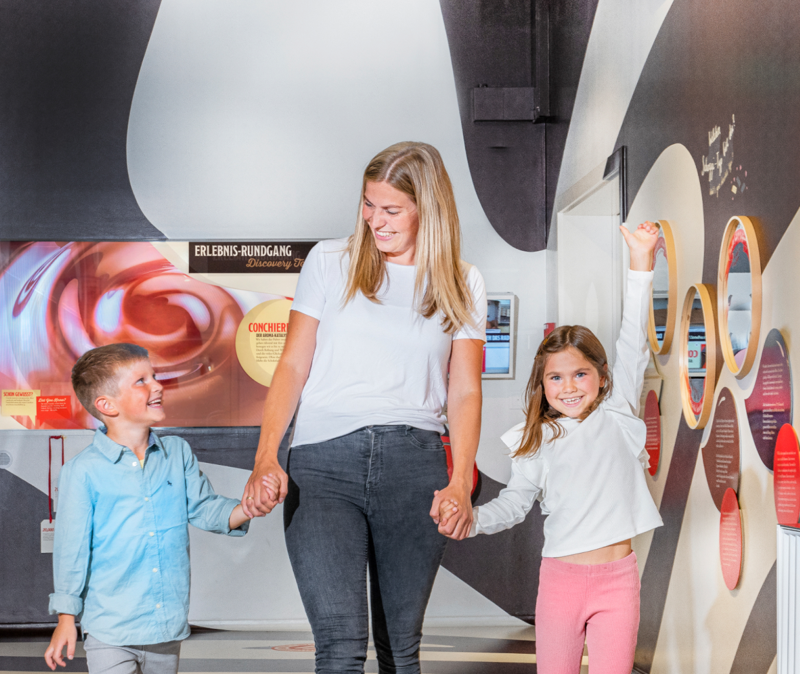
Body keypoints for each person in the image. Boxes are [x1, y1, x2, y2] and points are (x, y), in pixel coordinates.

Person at [242, 141, 487, 673]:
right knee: (339, 646)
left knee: (401, 650)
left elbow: (466, 390)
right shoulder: (330, 261)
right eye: (368, 204)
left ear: (428, 208)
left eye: (391, 209)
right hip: (322, 465)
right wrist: (266, 456)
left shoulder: (462, 280)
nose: (375, 220)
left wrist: (460, 480)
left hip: (416, 464)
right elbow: (292, 365)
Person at [440, 222, 663, 674]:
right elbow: (515, 503)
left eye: (580, 374)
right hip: (561, 581)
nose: (569, 387)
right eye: (555, 378)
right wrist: (472, 521)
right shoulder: (536, 438)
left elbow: (632, 340)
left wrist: (641, 261)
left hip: (618, 581)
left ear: (602, 376)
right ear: (542, 385)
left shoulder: (617, 413)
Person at [44, 343, 261, 674]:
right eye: (141, 381)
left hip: (165, 627)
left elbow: (205, 509)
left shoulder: (177, 453)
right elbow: (70, 550)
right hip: (109, 630)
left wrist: (250, 506)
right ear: (107, 405)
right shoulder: (82, 471)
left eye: (154, 377)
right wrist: (66, 618)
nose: (157, 386)